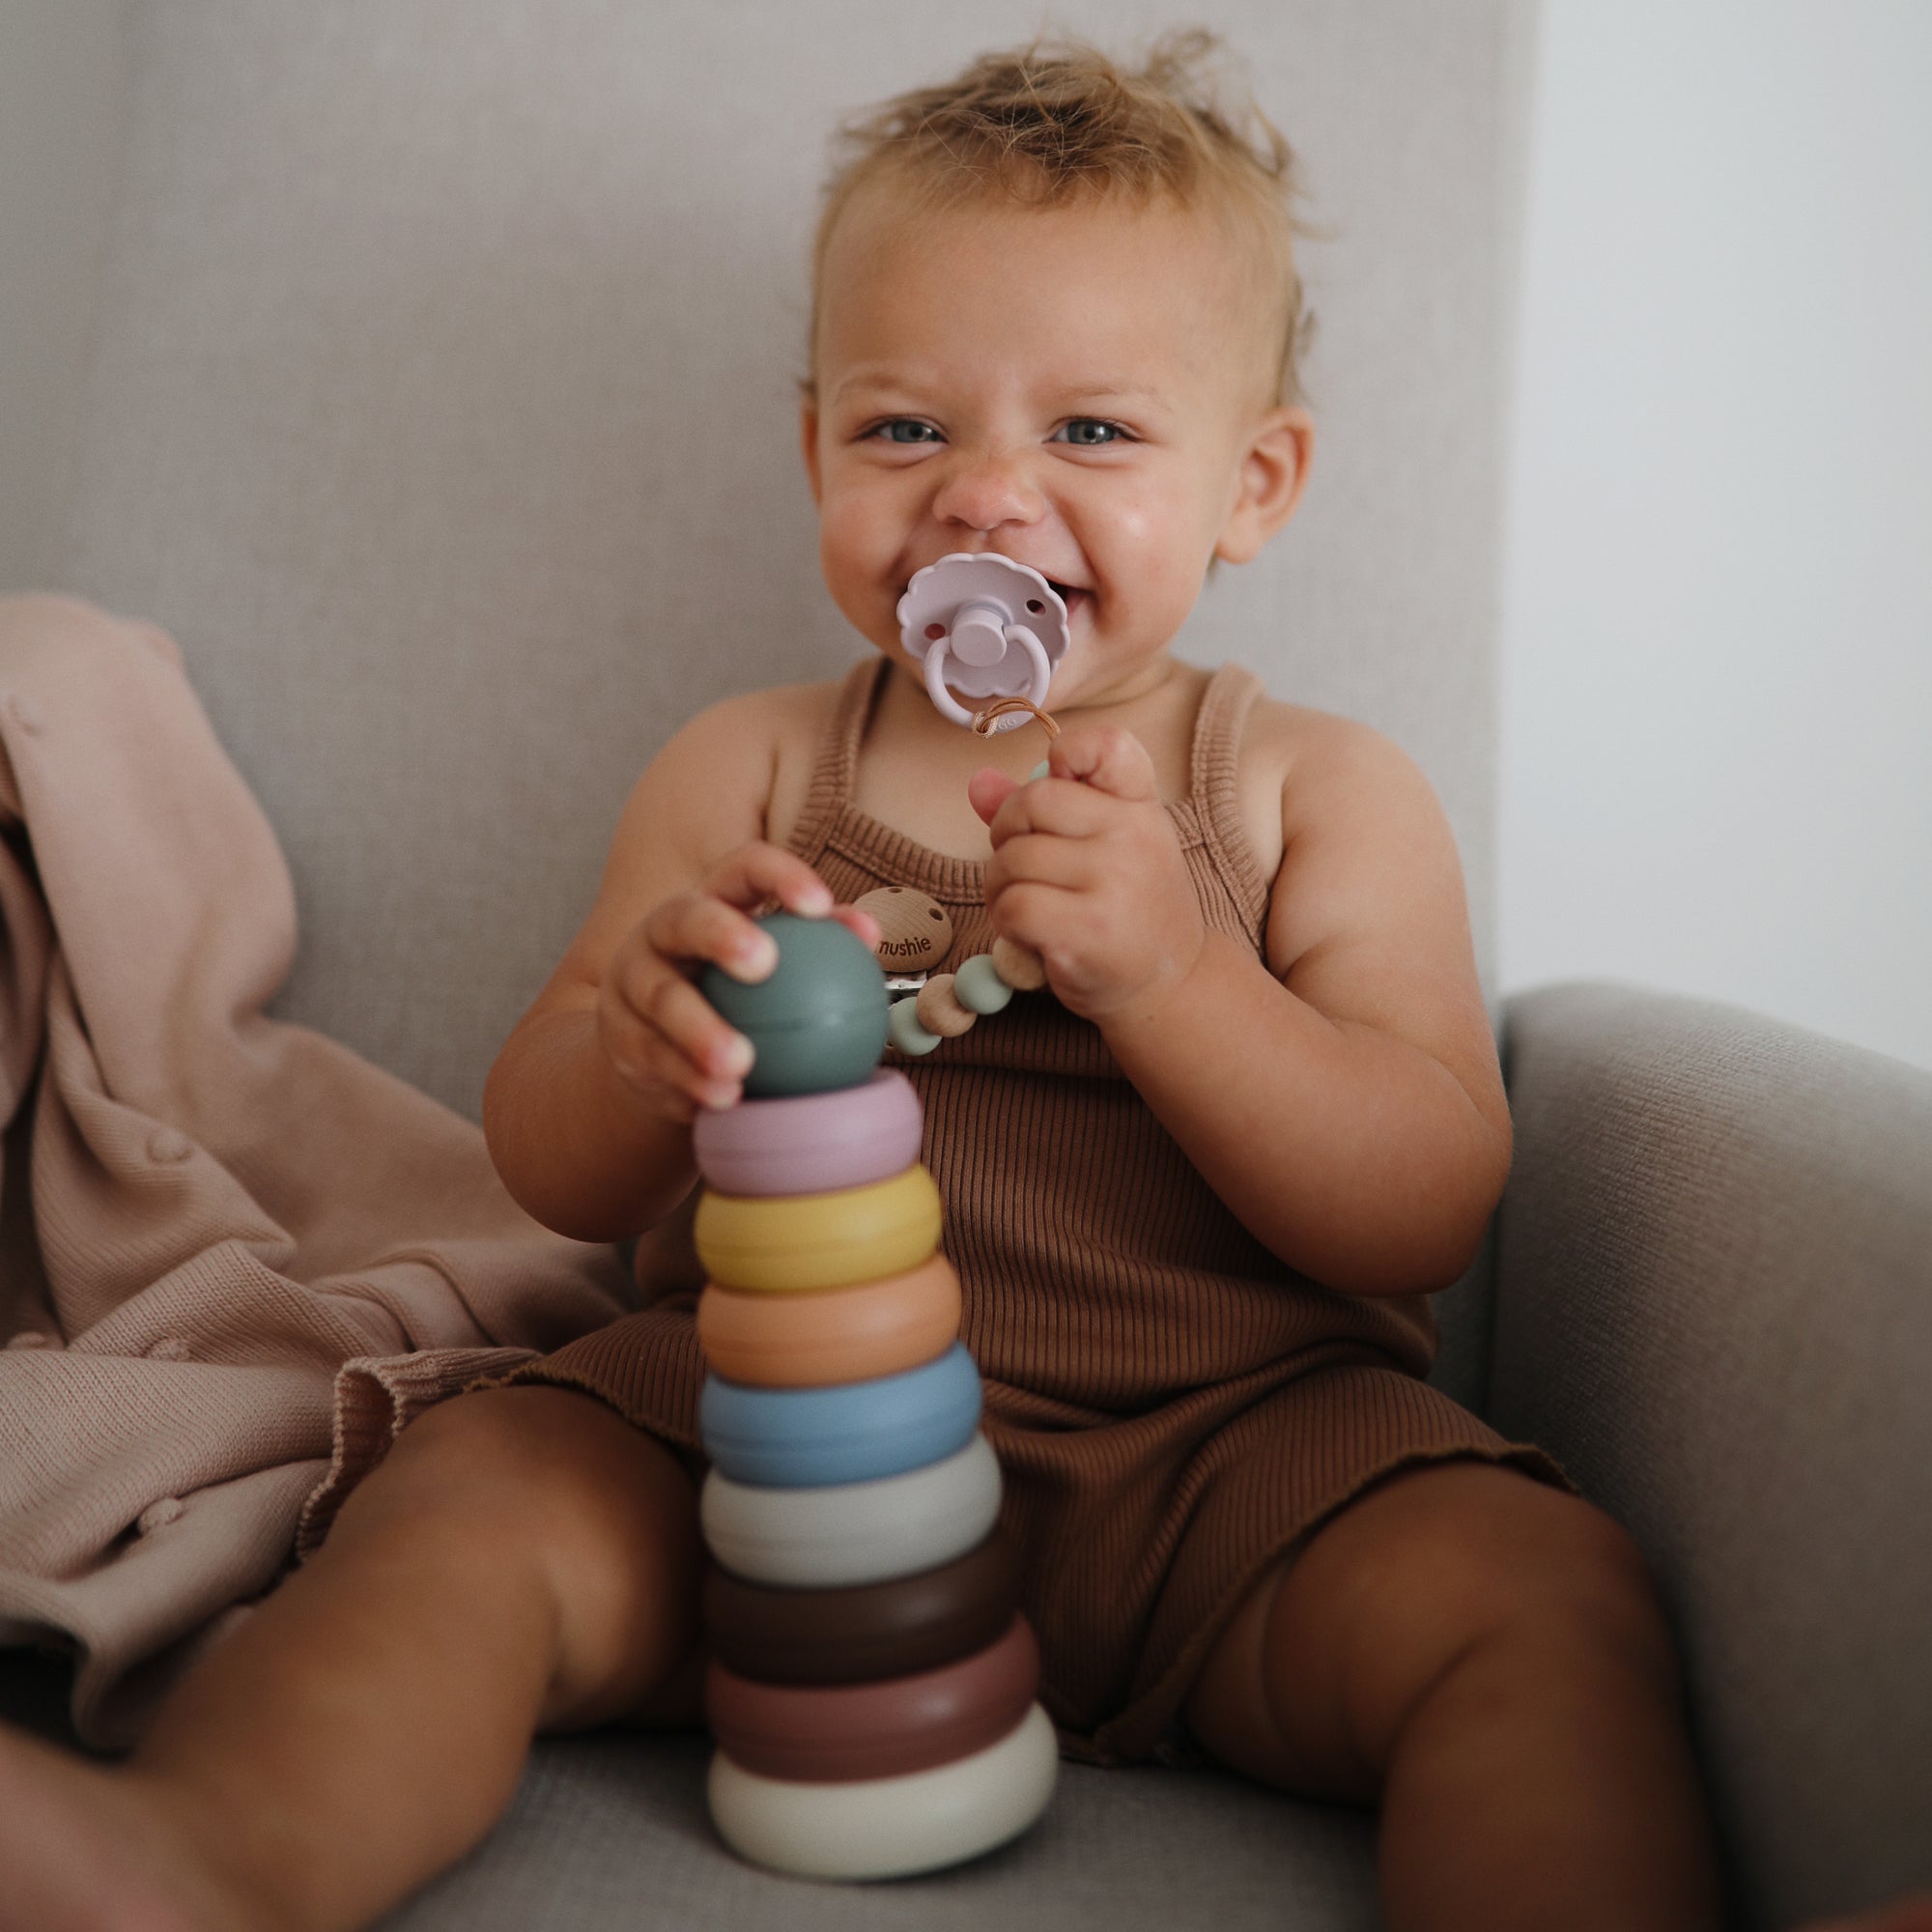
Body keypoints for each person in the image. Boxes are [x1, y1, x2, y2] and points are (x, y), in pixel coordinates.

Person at [6, 31, 1922, 1932]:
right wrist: (638, 1043)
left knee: (1538, 1601)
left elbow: (1425, 1197)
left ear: (1252, 484)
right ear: (816, 444)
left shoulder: (1312, 790)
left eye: (1090, 432)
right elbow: (551, 1170)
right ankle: (214, 1858)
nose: (988, 499)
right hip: (753, 1450)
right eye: (907, 428)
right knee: (474, 1492)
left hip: (1233, 1476)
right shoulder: (750, 769)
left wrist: (1178, 973)